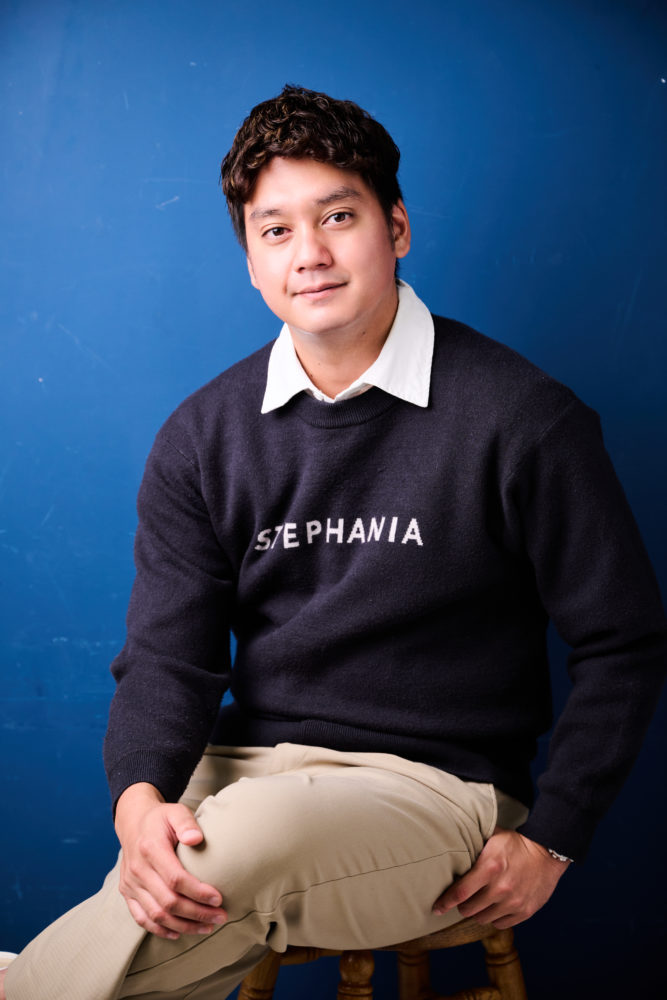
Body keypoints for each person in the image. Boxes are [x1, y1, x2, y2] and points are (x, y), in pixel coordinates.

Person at [3, 84, 666, 1000]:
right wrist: (138, 801)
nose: (308, 254)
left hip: (433, 791)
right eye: (275, 230)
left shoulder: (521, 418)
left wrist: (555, 835)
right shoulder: (202, 436)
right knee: (180, 856)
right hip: (240, 776)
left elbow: (623, 641)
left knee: (229, 849)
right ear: (250, 260)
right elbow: (167, 656)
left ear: (397, 227)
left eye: (338, 217)